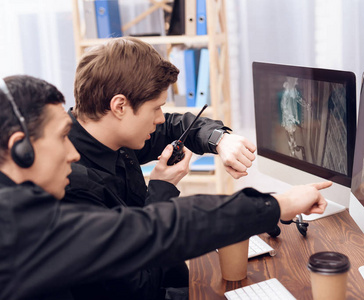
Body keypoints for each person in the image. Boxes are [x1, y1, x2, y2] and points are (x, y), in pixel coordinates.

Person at [0, 75, 330, 300]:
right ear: (20, 149)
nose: (71, 153)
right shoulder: (19, 225)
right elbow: (155, 230)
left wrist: (220, 140)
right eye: (61, 137)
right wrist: (278, 204)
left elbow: (172, 126)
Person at [64, 36, 259, 298]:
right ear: (120, 106)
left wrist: (220, 140)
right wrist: (161, 189)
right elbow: (136, 288)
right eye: (156, 108)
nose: (159, 118)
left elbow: (173, 126)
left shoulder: (113, 132)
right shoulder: (69, 182)